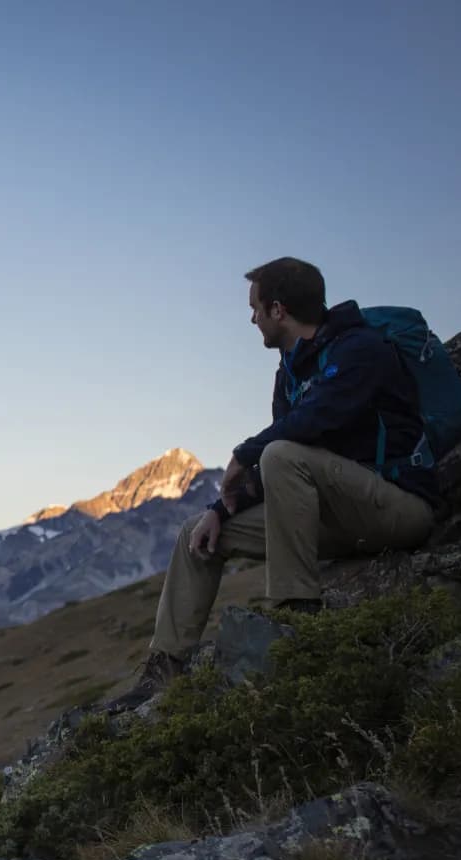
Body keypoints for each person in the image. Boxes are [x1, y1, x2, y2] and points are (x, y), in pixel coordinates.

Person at [138, 256, 439, 687]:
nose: (252, 319)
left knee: (280, 453)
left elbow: (316, 421)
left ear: (278, 310)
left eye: (255, 309)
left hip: (398, 507)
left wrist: (246, 452)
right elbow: (286, 460)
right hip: (338, 514)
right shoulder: (290, 374)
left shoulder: (361, 349)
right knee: (195, 533)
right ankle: (162, 671)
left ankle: (294, 617)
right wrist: (220, 512)